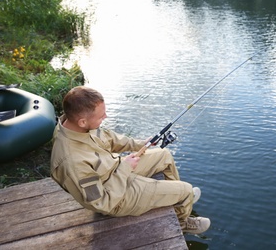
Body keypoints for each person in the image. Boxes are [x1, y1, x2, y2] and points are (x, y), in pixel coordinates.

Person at [50, 86, 210, 234]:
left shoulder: (76, 125)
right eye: (101, 116)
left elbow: (110, 139)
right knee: (187, 190)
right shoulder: (72, 161)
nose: (105, 117)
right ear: (83, 121)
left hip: (117, 170)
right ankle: (182, 222)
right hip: (116, 197)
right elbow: (102, 203)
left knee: (165, 155)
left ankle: (176, 198)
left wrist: (142, 143)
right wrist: (125, 169)